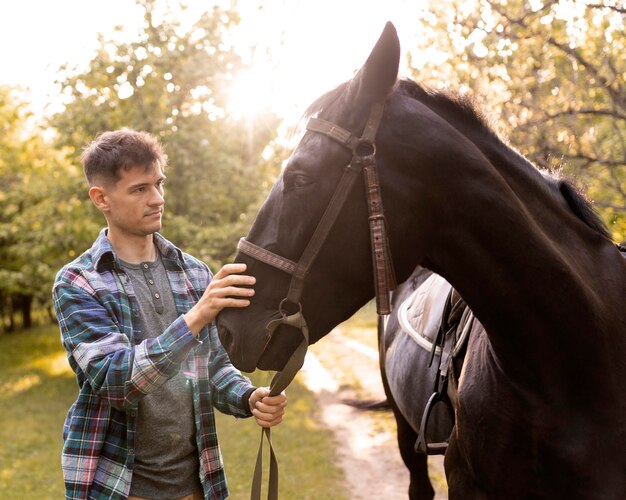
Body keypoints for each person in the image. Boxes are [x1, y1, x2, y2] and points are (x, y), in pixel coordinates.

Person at [52, 129, 287, 500]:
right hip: (118, 487)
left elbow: (212, 368)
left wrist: (247, 396)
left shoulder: (194, 273)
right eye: (139, 189)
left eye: (159, 184)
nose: (157, 199)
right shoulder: (79, 283)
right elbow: (116, 381)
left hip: (197, 484)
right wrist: (195, 317)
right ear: (101, 198)